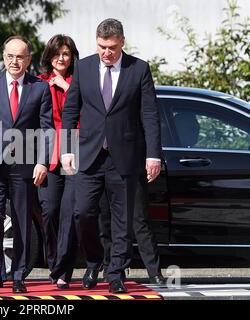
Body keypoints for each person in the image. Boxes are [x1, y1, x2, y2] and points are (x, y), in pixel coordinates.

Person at [61, 18, 162, 293]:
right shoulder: (83, 68)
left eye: (112, 48)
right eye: (102, 47)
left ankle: (115, 272)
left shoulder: (138, 69)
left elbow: (150, 115)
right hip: (88, 155)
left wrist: (153, 155)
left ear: (122, 43)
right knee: (82, 212)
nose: (106, 52)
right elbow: (70, 110)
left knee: (122, 219)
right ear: (96, 43)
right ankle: (94, 261)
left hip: (124, 156)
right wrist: (66, 149)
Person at [0, 36, 53, 293]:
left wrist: (42, 162)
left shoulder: (39, 88)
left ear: (28, 59)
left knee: (22, 221)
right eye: (10, 56)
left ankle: (18, 275)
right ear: (3, 57)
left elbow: (46, 130)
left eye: (20, 57)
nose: (14, 61)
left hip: (25, 165)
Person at [36, 34, 80, 289]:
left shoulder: (80, 83)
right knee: (49, 211)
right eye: (57, 53)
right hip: (48, 155)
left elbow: (91, 117)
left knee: (70, 214)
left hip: (75, 152)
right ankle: (54, 263)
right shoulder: (39, 83)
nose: (61, 58)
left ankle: (64, 270)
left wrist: (67, 88)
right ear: (49, 57)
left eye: (66, 53)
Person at [99, 169, 166, 285]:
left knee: (140, 221)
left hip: (131, 165)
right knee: (105, 222)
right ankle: (109, 268)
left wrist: (152, 157)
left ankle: (154, 272)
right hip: (101, 168)